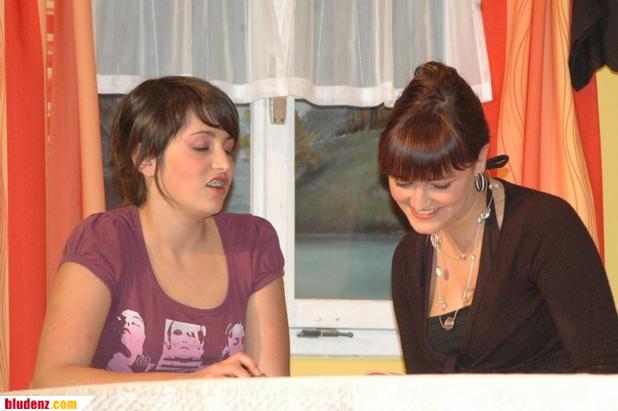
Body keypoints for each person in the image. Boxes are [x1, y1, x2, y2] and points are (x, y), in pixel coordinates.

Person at [33, 76, 290, 387]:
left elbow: (274, 390)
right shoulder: (104, 240)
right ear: (146, 159)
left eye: (228, 148)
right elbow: (50, 382)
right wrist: (189, 385)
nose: (224, 164)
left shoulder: (253, 242)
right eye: (201, 147)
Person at [379, 61, 618, 373]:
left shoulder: (544, 226)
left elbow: (604, 369)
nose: (419, 202)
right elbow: (427, 386)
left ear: (480, 159)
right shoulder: (409, 259)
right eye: (403, 182)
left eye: (440, 185)